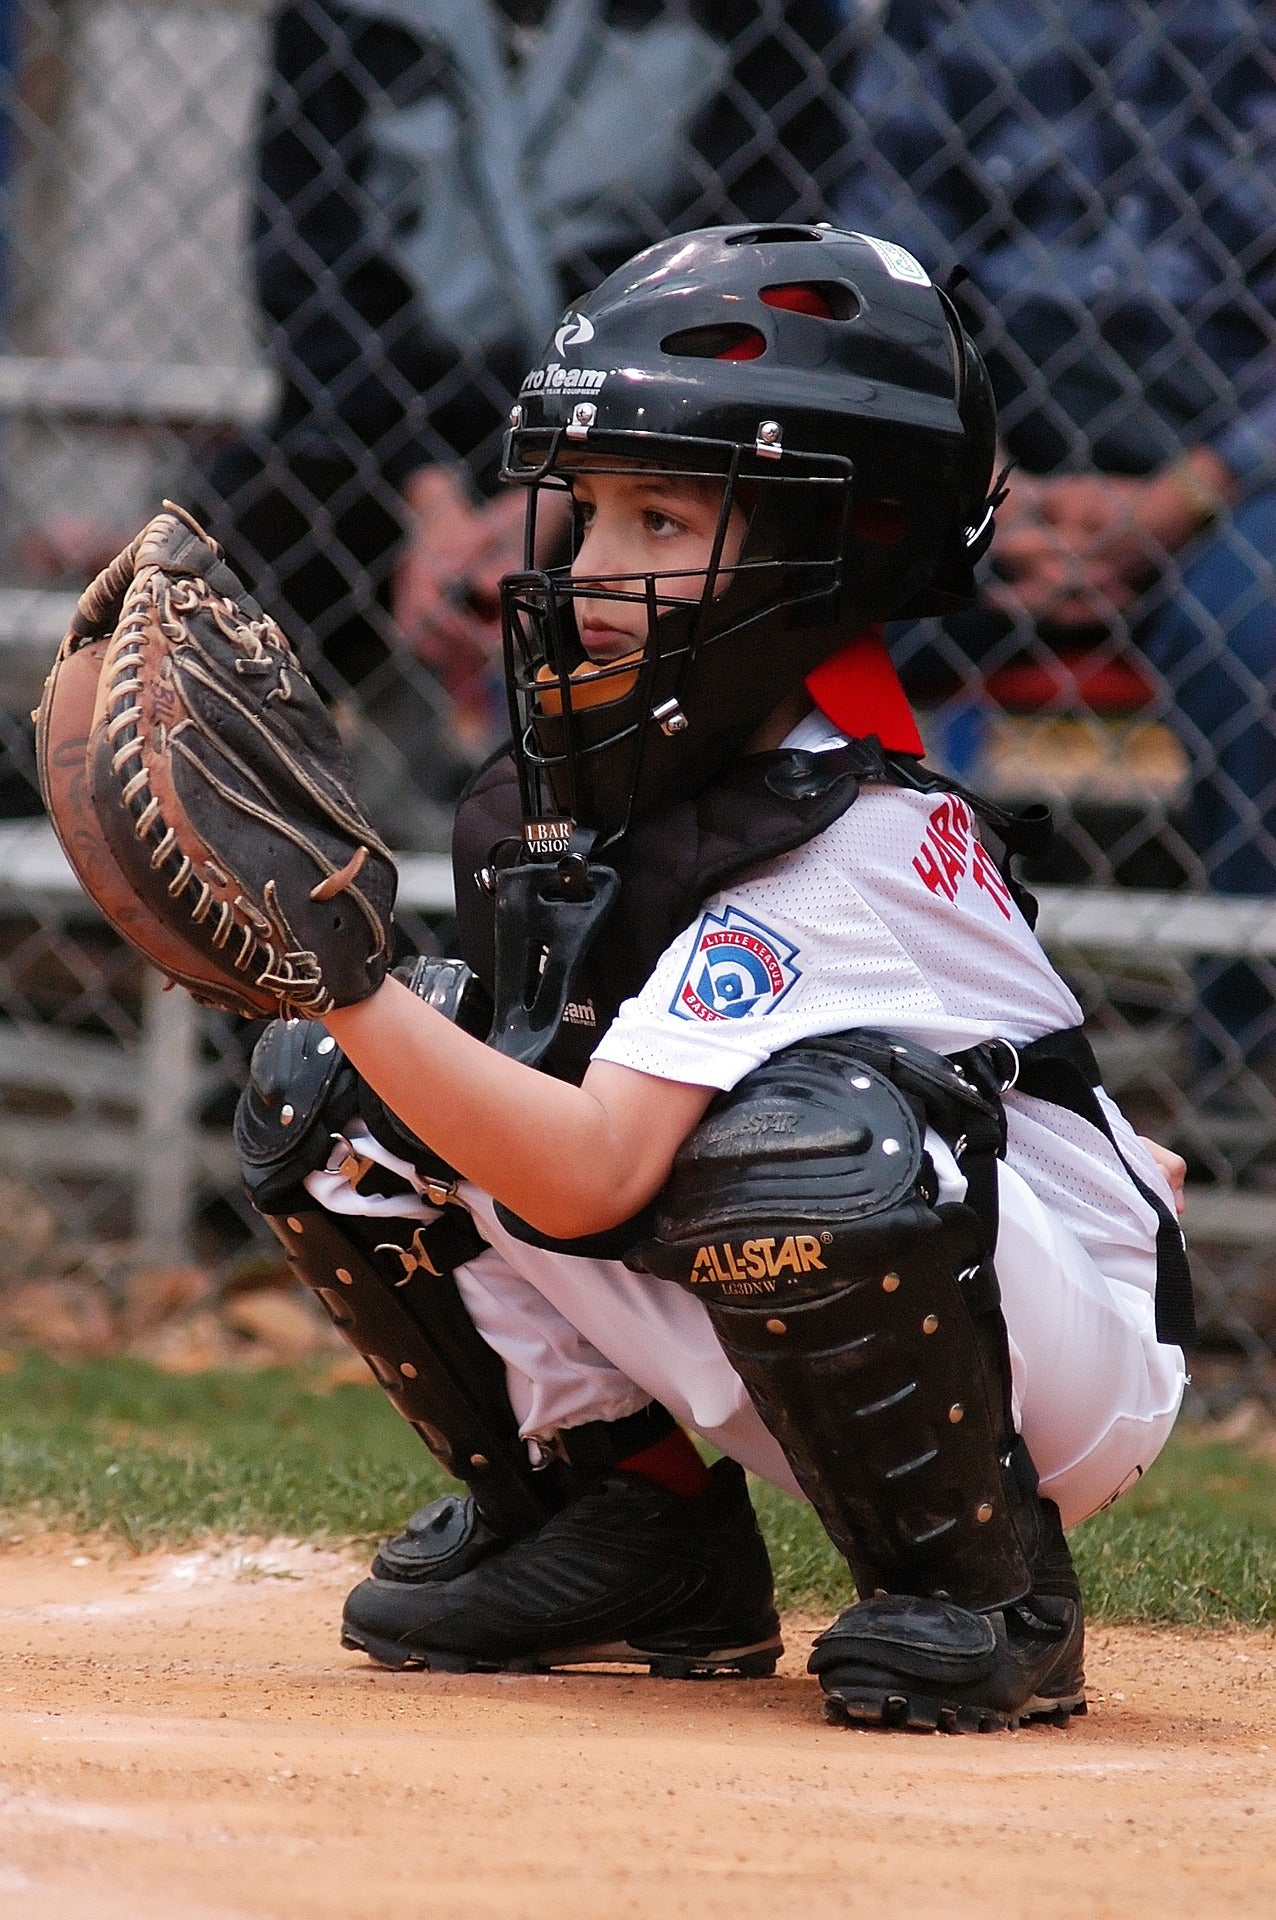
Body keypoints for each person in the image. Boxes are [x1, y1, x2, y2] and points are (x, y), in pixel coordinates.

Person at [230, 224, 1190, 1732]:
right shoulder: (639, 779)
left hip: (1055, 1372)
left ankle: (982, 1584)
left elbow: (600, 1172)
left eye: (663, 524)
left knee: (800, 1149)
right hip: (899, 1269)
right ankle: (634, 1526)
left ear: (841, 548)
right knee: (342, 1095)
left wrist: (342, 974)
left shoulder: (844, 840)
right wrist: (343, 1014)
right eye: (591, 513)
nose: (595, 572)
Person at [198, 0, 850, 832]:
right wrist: (431, 496)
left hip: (638, 423)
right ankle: (236, 881)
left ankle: (618, 877)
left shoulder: (757, 21)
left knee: (676, 555)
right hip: (386, 429)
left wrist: (556, 488)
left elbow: (738, 278)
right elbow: (312, 279)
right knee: (235, 566)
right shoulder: (342, 15)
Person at [834, 0, 1276, 1134]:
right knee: (792, 593)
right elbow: (881, 268)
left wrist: (1185, 494)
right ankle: (837, 1008)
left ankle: (1247, 1051)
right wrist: (976, 471)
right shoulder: (949, 22)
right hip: (990, 422)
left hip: (1236, 443)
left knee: (1261, 625)